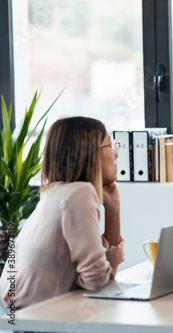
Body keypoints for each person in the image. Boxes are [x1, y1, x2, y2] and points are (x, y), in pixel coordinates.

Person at [0, 116, 125, 309]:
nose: (116, 154)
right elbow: (97, 279)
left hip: (14, 317)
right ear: (90, 153)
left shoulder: (55, 192)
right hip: (34, 320)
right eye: (110, 146)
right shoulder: (80, 193)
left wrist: (113, 209)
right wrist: (83, 278)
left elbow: (100, 273)